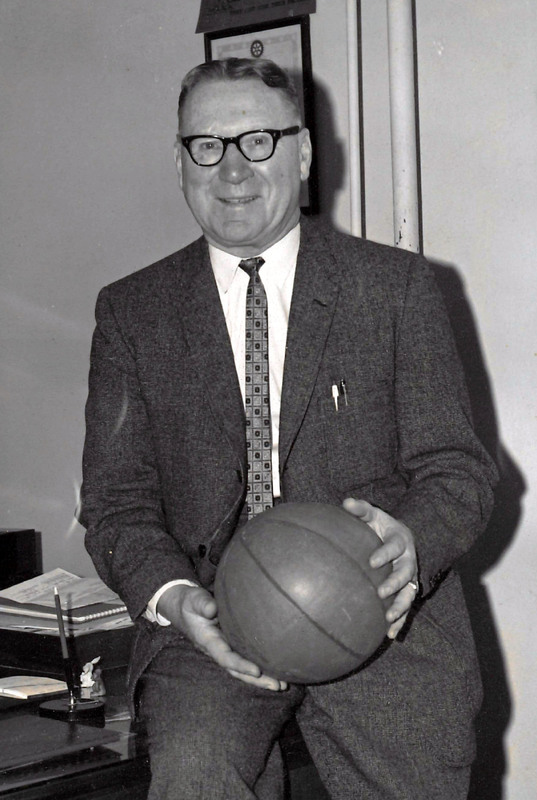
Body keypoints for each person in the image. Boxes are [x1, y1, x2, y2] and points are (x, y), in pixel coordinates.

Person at [79, 58, 497, 799]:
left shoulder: (393, 289)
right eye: (206, 145)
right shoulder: (131, 312)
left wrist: (411, 544)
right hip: (212, 623)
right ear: (180, 162)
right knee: (194, 772)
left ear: (302, 154)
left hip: (381, 617)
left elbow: (455, 470)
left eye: (258, 141)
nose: (232, 168)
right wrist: (179, 599)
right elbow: (117, 505)